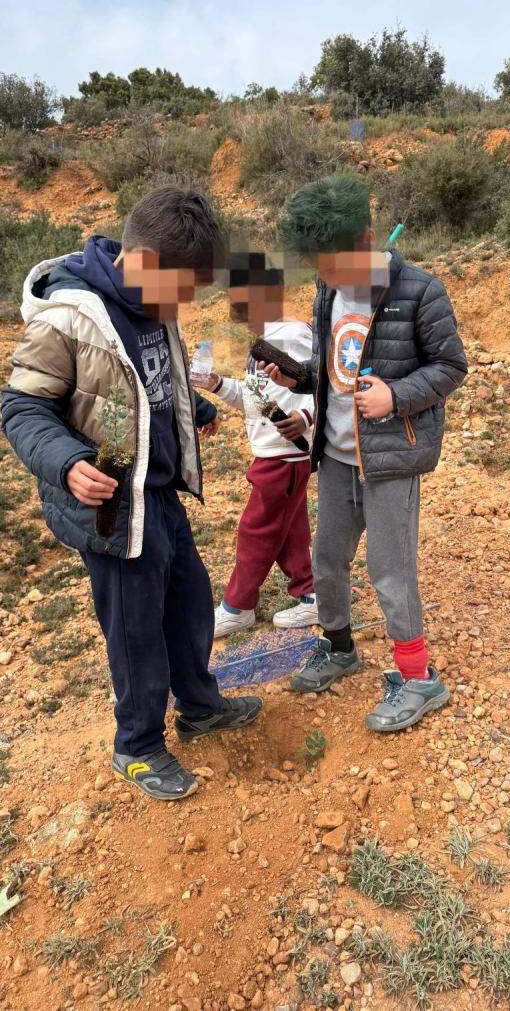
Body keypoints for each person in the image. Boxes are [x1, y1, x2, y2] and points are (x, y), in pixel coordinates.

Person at [1, 186, 262, 800]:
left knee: (190, 604)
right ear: (143, 261)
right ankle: (137, 745)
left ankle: (199, 706)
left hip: (160, 496)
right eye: (182, 288)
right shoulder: (67, 317)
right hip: (113, 510)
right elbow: (21, 407)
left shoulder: (154, 303)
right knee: (136, 630)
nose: (185, 303)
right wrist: (66, 462)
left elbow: (152, 381)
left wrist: (193, 408)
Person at [262, 173, 468, 732]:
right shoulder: (329, 291)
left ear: (369, 240)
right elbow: (333, 369)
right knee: (327, 559)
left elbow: (451, 366)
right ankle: (339, 647)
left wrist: (395, 397)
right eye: (321, 267)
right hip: (335, 457)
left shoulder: (420, 291)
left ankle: (419, 678)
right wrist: (299, 377)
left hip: (390, 460)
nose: (330, 277)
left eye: (338, 264)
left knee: (389, 569)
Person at [205, 317, 318, 637]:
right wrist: (216, 384)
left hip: (284, 456)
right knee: (291, 530)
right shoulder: (263, 337)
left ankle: (237, 607)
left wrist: (306, 418)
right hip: (274, 453)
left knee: (256, 531)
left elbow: (324, 383)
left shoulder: (293, 335)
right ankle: (311, 593)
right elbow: (255, 399)